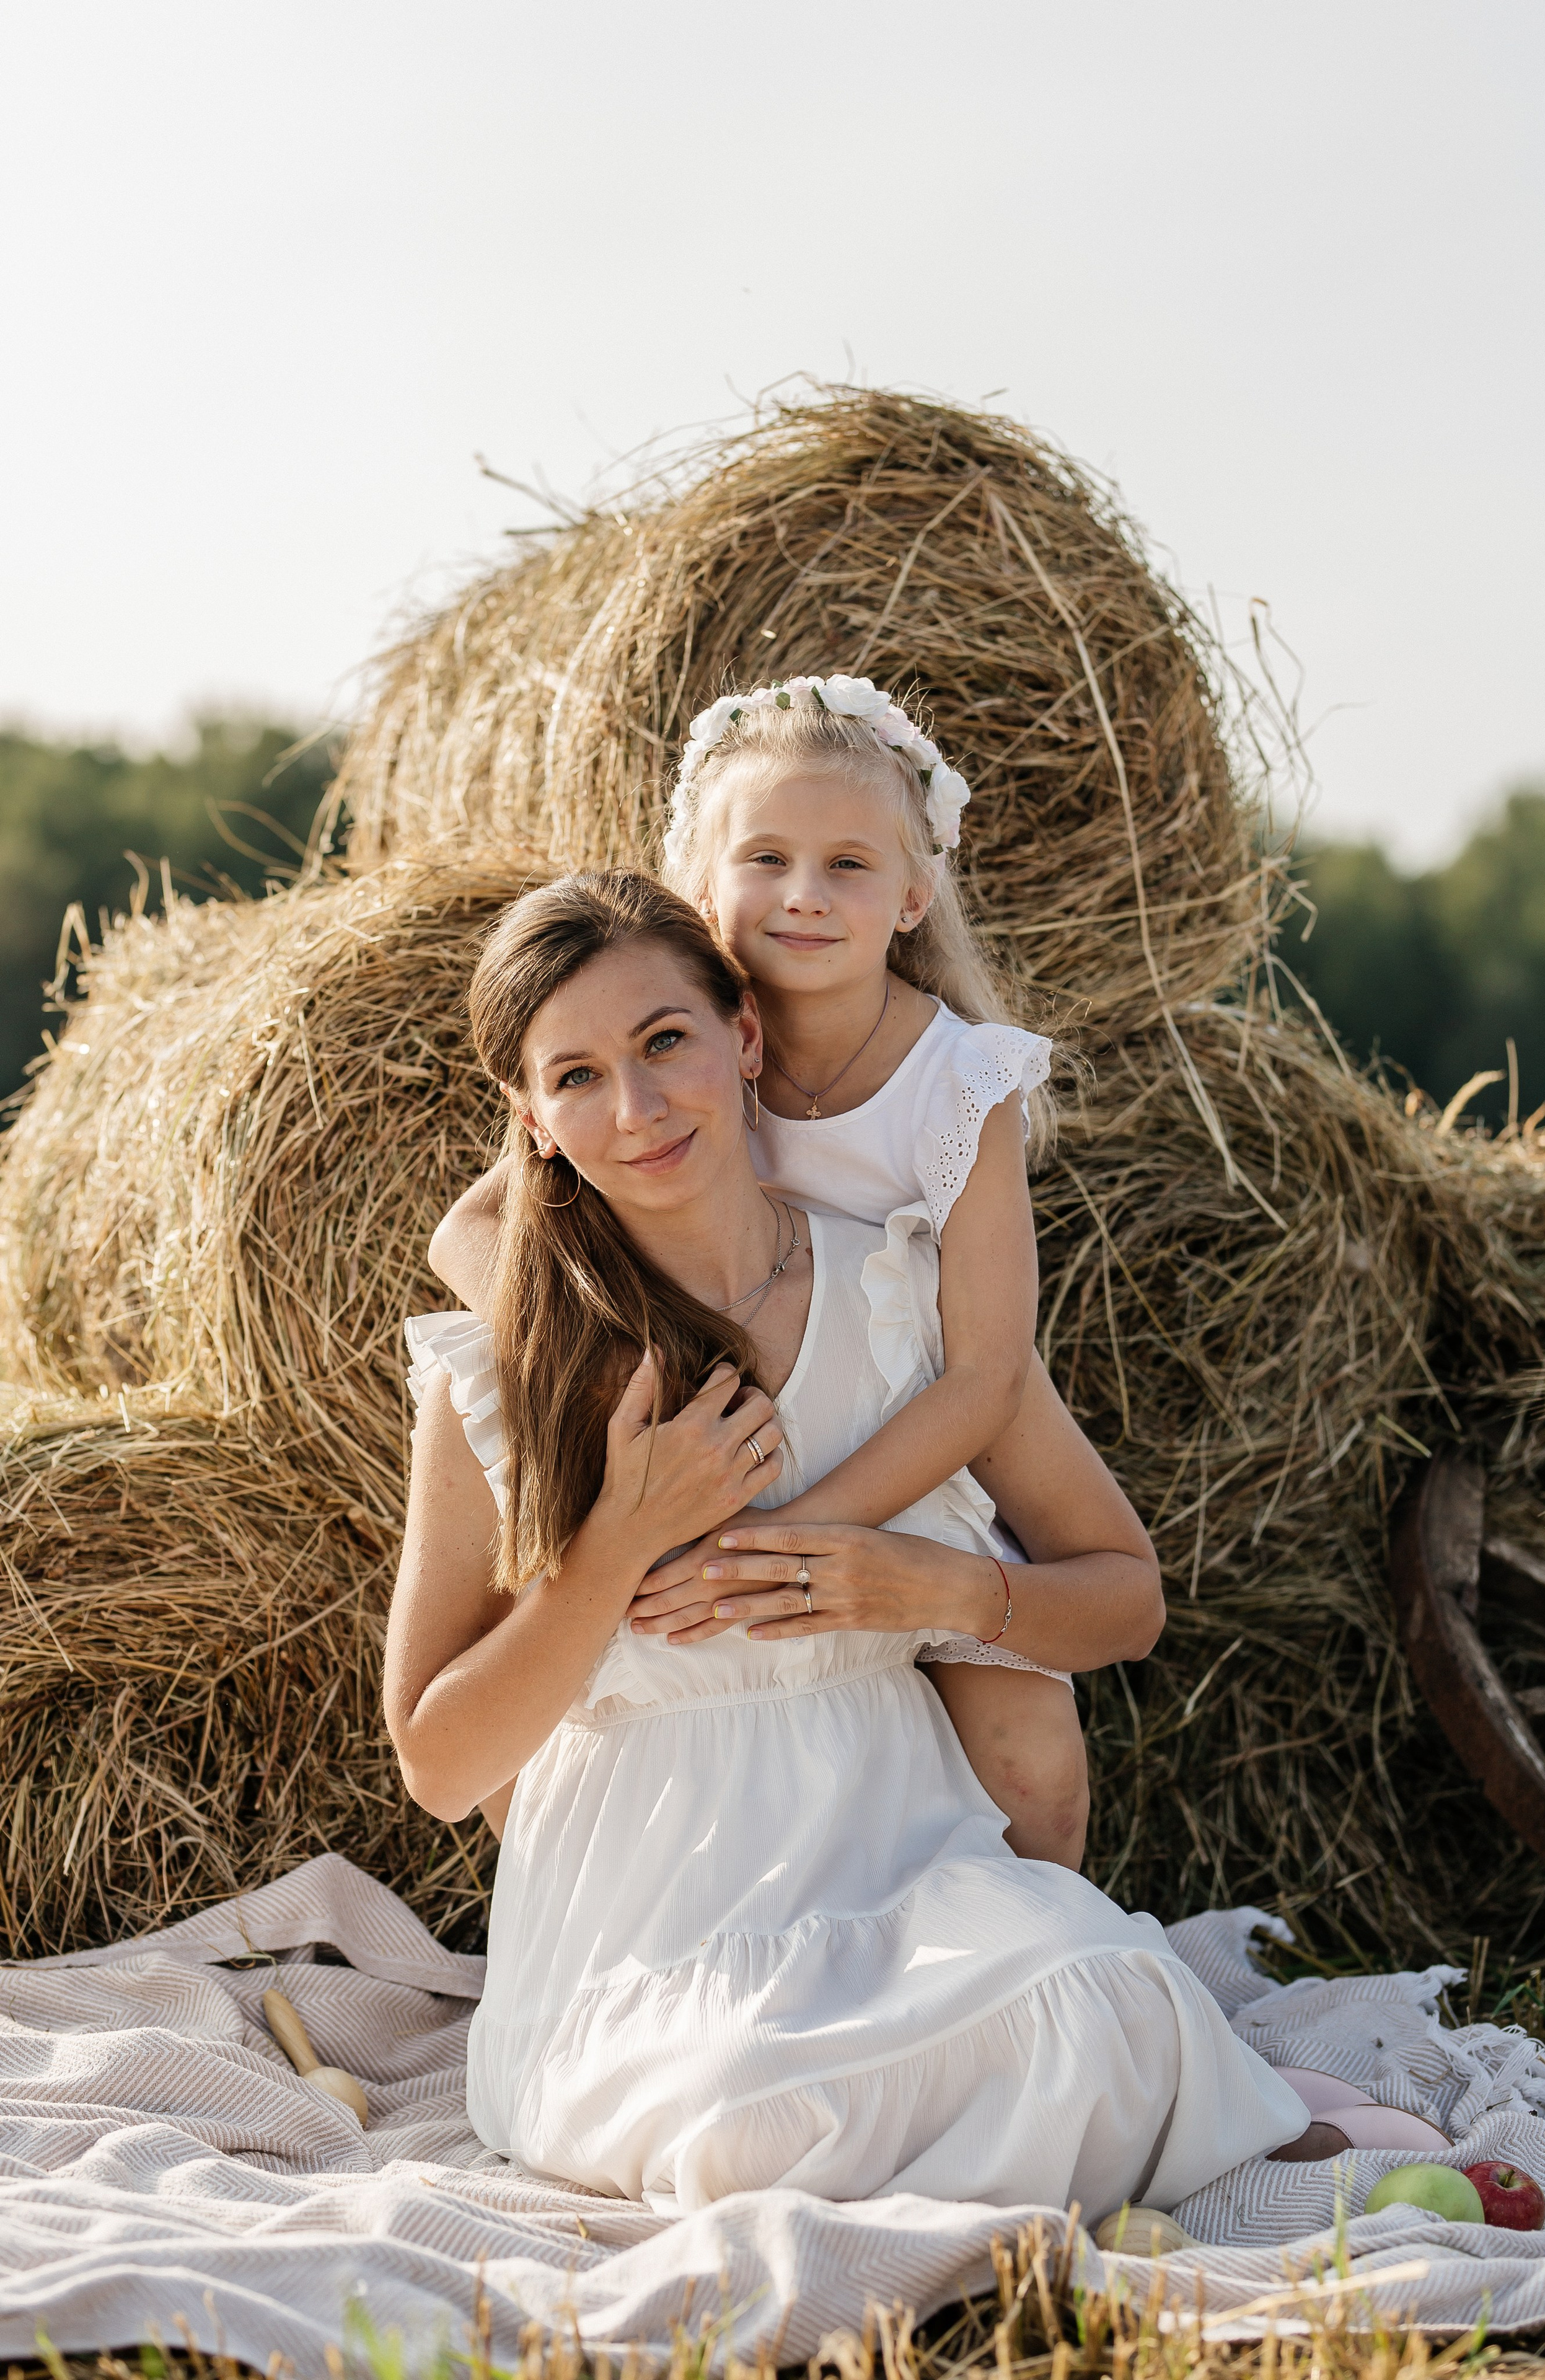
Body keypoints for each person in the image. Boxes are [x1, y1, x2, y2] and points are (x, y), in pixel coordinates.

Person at [385, 868, 1316, 2216]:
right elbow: (438, 1763)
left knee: (1102, 2000)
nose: (637, 1109)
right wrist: (613, 1548)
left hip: (906, 1870)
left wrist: (930, 1586)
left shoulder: (904, 1303)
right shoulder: (498, 1372)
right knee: (760, 2116)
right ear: (531, 1121)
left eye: (664, 1042)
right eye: (577, 1077)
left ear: (743, 1038)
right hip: (653, 1930)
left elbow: (1126, 1601)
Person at [428, 674, 1085, 1861]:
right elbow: (470, 1234)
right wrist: (626, 1353)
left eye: (848, 864)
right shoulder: (656, 1028)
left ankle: (1038, 1921)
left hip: (894, 1396)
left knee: (1029, 1740)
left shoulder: (956, 1081)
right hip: (741, 1364)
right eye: (767, 859)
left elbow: (987, 1373)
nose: (804, 896)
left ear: (915, 894)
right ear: (705, 887)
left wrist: (798, 1542)